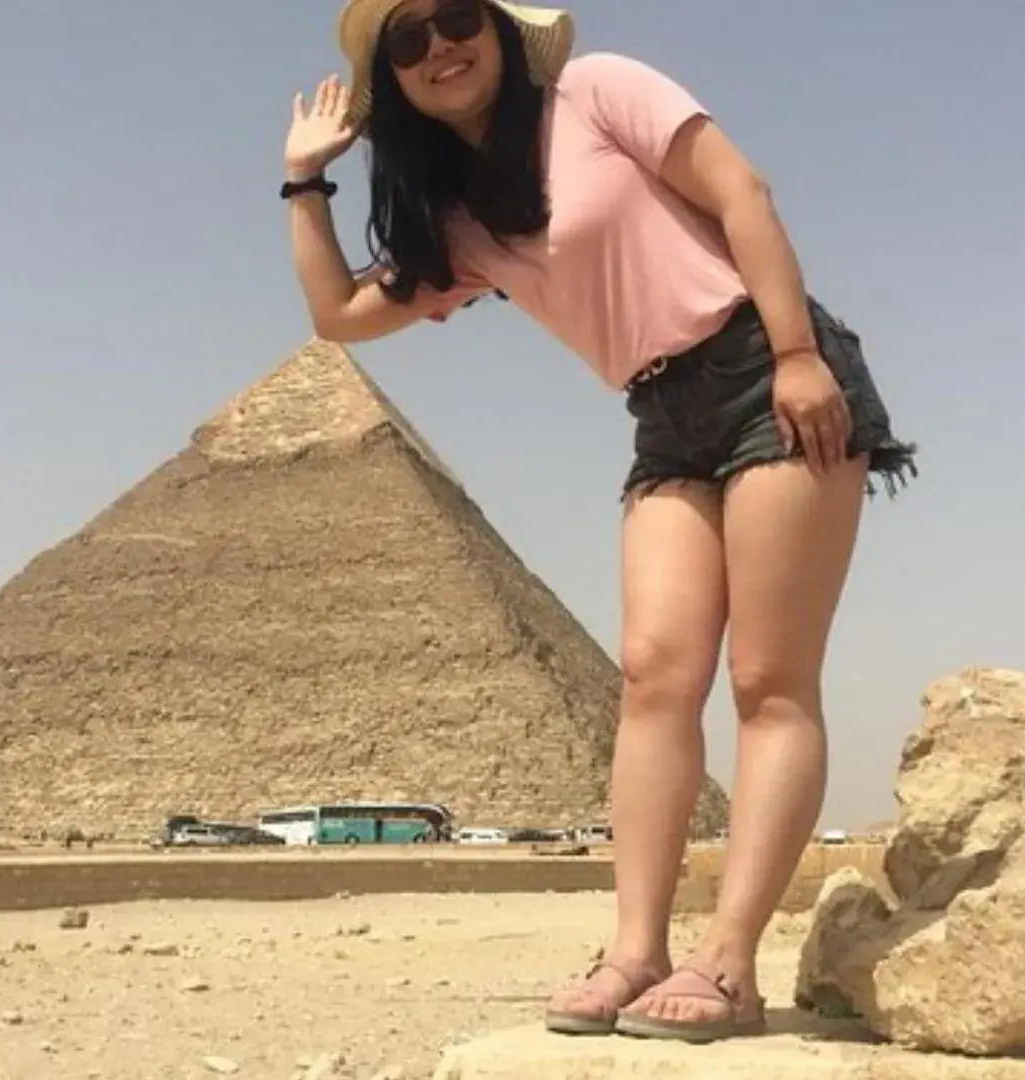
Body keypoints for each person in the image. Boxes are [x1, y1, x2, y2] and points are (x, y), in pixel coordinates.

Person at [284, 0, 917, 1044]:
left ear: (498, 27)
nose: (439, 47)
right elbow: (338, 316)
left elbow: (742, 194)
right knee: (653, 674)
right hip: (661, 415)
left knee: (768, 678)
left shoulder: (598, 91)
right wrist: (306, 181)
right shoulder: (462, 223)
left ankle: (729, 962)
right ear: (391, 79)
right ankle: (636, 950)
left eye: (455, 18)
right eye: (407, 40)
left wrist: (799, 355)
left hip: (764, 367)